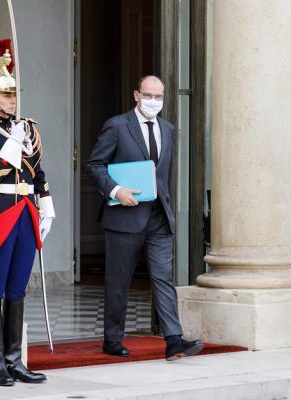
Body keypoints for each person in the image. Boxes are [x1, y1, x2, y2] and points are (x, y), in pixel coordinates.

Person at [86, 75, 203, 361]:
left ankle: (173, 339)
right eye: (149, 96)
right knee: (119, 280)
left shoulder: (169, 129)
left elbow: (165, 175)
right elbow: (95, 164)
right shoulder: (117, 126)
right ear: (137, 95)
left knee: (163, 277)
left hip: (158, 216)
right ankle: (112, 339)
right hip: (124, 215)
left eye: (159, 97)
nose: (154, 102)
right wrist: (116, 190)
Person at [0, 39, 54, 386]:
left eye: (14, 94)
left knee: (17, 288)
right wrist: (11, 142)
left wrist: (46, 203)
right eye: (5, 95)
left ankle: (15, 360)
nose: (12, 100)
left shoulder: (28, 126)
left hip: (25, 212)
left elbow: (37, 171)